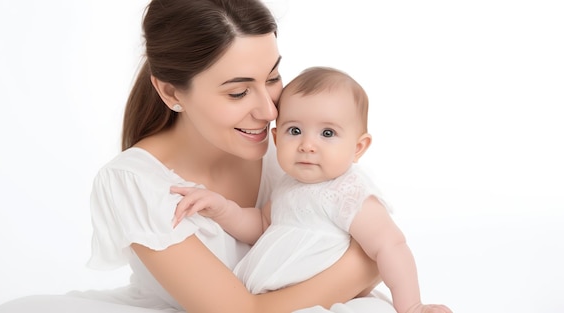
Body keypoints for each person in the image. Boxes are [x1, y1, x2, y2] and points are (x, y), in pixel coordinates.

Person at [0, 1, 396, 313]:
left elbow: (367, 230)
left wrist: (374, 261)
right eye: (238, 92)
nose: (271, 111)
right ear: (171, 93)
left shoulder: (293, 145)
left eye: (272, 77)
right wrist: (366, 264)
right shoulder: (136, 183)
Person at [171, 67, 453, 313]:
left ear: (358, 148)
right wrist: (222, 209)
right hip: (277, 303)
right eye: (294, 131)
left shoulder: (348, 192)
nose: (307, 144)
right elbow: (261, 225)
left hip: (331, 303)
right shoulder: (287, 184)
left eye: (327, 133)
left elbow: (391, 246)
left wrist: (412, 306)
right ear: (277, 138)